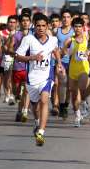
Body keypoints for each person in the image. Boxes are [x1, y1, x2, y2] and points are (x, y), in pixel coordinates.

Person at [16, 14, 64, 146]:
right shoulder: (28, 39)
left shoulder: (53, 39)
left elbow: (55, 50)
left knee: (44, 100)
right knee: (35, 107)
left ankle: (41, 132)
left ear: (47, 26)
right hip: (32, 79)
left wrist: (59, 62)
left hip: (46, 77)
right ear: (34, 26)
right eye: (38, 26)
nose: (41, 28)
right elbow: (18, 56)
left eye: (43, 25)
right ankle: (37, 122)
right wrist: (31, 58)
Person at [63, 17, 90, 127]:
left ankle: (84, 102)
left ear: (83, 27)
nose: (78, 28)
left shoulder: (87, 38)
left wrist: (89, 53)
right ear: (73, 28)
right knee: (74, 95)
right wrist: (66, 52)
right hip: (72, 69)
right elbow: (63, 51)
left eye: (80, 26)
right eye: (76, 26)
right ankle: (77, 115)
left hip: (84, 68)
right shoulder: (70, 40)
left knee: (82, 87)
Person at [56, 9, 74, 119]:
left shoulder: (75, 31)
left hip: (72, 62)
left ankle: (66, 105)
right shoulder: (56, 31)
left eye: (68, 17)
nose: (65, 19)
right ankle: (61, 106)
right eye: (63, 17)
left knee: (70, 87)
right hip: (60, 61)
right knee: (62, 82)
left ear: (71, 19)